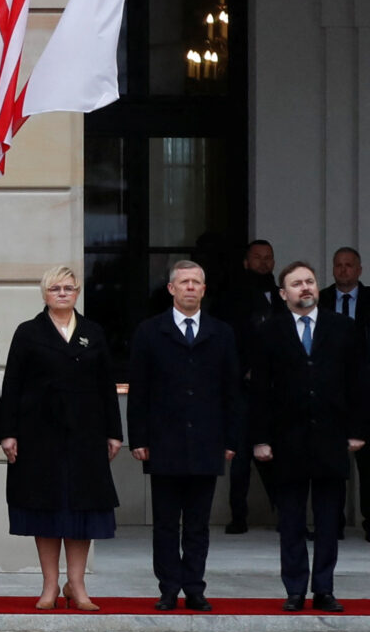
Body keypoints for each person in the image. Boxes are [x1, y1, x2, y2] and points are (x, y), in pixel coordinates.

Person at [0, 264, 122, 611]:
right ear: (45, 294)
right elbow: (12, 386)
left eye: (69, 288)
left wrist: (114, 432)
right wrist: (7, 433)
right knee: (46, 511)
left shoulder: (93, 332)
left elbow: (106, 386)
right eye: (56, 289)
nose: (63, 294)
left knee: (82, 512)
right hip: (39, 436)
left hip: (86, 435)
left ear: (78, 292)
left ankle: (77, 586)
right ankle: (50, 586)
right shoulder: (28, 332)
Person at [248, 260, 365, 612]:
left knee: (330, 520)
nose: (306, 288)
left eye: (310, 281)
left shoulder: (343, 328)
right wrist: (260, 438)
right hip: (287, 440)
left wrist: (358, 431)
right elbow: (259, 391)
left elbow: (359, 383)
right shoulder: (269, 331)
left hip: (331, 437)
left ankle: (325, 588)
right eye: (297, 283)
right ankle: (296, 589)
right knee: (292, 520)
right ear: (284, 294)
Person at [127, 259, 242, 611]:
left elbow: (232, 391)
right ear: (171, 289)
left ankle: (194, 587)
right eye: (184, 282)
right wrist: (139, 438)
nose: (190, 287)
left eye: (196, 282)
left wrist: (231, 440)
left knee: (197, 525)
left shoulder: (221, 333)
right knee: (165, 524)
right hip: (163, 442)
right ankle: (168, 588)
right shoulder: (149, 331)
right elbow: (140, 391)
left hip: (207, 442)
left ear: (204, 290)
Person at [223, 237, 281, 533]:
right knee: (243, 454)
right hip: (244, 386)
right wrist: (243, 371)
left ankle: (284, 514)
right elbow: (227, 340)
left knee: (278, 452)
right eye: (257, 257)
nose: (263, 262)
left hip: (276, 388)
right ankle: (239, 516)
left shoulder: (281, 295)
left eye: (268, 257)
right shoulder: (232, 296)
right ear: (246, 262)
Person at [325, 247, 369, 534]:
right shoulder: (320, 299)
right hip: (331, 390)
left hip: (366, 390)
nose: (343, 270)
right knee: (331, 463)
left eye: (349, 265)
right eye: (338, 265)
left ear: (359, 270)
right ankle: (332, 523)